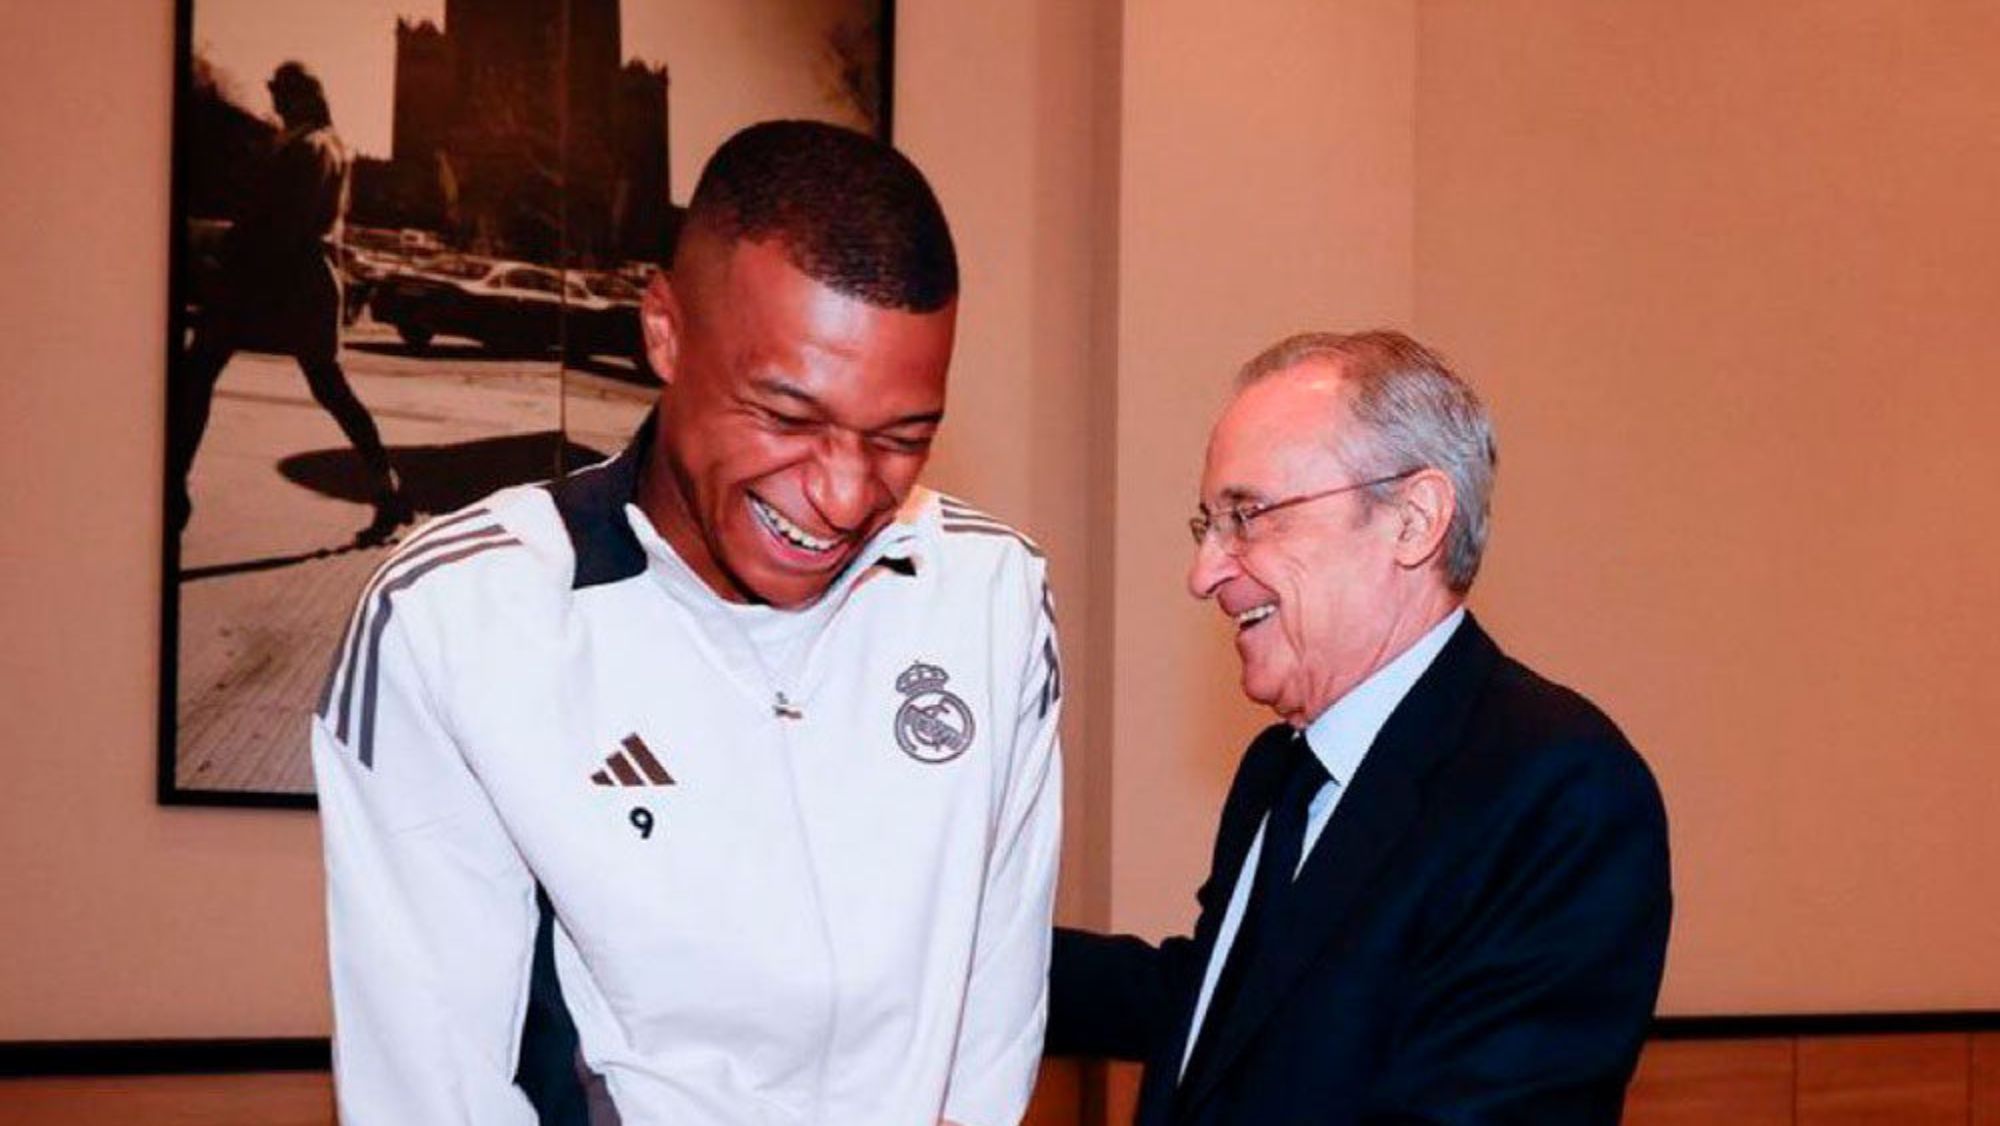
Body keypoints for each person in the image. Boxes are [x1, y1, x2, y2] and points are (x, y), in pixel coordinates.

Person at [312, 121, 1063, 1125]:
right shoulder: (457, 618)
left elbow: (994, 1013)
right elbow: (430, 1086)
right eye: (787, 417)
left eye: (900, 438)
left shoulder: (989, 595)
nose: (841, 495)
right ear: (663, 331)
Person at [1047, 331, 1671, 1124]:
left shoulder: (1558, 790)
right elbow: (1225, 1014)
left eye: (1248, 515)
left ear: (1413, 521)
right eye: (1207, 524)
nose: (1203, 573)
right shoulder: (1283, 768)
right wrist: (962, 942)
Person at [169, 60, 409, 544]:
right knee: (329, 388)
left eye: (279, 92)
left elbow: (278, 226)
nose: (274, 101)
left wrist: (228, 258)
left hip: (274, 282)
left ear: (298, 95)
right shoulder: (325, 143)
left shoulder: (307, 148)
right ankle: (388, 490)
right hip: (302, 285)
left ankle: (174, 490)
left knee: (200, 372)